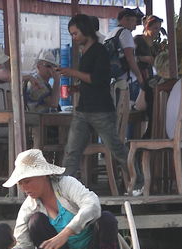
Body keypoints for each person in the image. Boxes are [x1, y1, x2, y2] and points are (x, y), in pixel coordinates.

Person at [4, 148, 124, 249]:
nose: (24, 188)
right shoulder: (28, 207)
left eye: (27, 181)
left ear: (44, 175)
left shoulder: (66, 184)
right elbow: (24, 246)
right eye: (20, 183)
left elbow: (93, 204)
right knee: (35, 222)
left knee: (106, 218)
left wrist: (66, 233)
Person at [58, 14, 133, 195]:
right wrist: (79, 87)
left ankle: (137, 180)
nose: (74, 38)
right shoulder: (86, 52)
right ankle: (62, 191)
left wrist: (72, 73)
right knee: (72, 151)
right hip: (84, 109)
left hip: (101, 110)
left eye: (75, 34)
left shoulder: (99, 51)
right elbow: (91, 80)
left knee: (116, 149)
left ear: (85, 31)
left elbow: (100, 79)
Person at [133, 15, 164, 138]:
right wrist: (142, 58)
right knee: (137, 112)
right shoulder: (138, 40)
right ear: (147, 27)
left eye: (158, 29)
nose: (157, 31)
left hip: (151, 77)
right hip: (138, 78)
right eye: (155, 28)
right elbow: (130, 57)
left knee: (152, 107)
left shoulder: (156, 45)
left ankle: (149, 133)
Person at [104, 7, 145, 99]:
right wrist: (139, 77)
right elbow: (130, 57)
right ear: (126, 19)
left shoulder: (110, 34)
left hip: (114, 79)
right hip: (127, 79)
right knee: (131, 110)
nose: (135, 26)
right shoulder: (125, 33)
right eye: (134, 21)